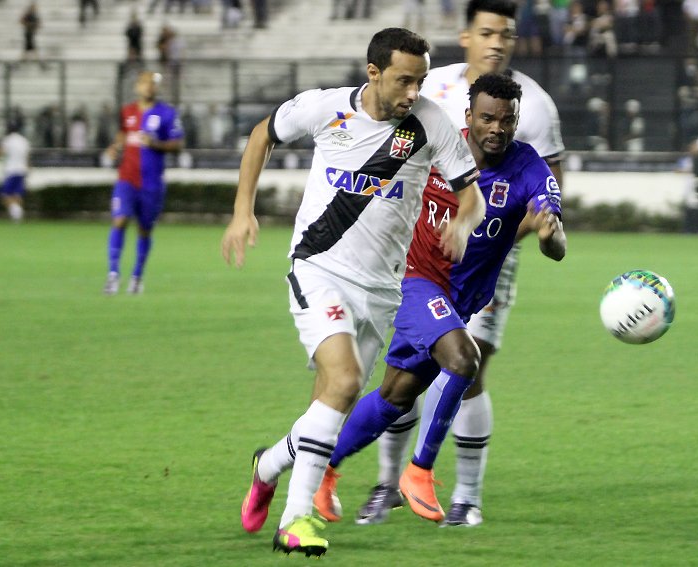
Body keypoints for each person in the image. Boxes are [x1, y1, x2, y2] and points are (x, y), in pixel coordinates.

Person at [226, 27, 485, 557]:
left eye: (421, 80)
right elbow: (262, 135)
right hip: (319, 268)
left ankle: (269, 465)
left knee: (331, 403)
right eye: (403, 81)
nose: (414, 92)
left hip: (382, 291)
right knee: (344, 382)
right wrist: (241, 211)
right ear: (374, 73)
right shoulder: (324, 109)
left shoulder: (429, 123)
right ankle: (296, 522)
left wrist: (463, 220)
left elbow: (471, 194)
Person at [313, 72, 566, 527]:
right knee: (464, 360)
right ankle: (419, 471)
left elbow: (557, 246)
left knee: (395, 395)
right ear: (468, 117)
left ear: (515, 121)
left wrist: (549, 234)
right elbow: (371, 180)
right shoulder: (432, 143)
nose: (497, 128)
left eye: (506, 121)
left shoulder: (529, 168)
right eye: (487, 118)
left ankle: (321, 467)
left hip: (461, 300)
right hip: (414, 281)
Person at [103, 71, 183, 295]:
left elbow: (177, 144)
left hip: (151, 183)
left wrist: (155, 143)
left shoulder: (166, 113)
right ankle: (113, 275)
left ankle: (137, 276)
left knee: (144, 230)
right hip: (126, 178)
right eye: (145, 83)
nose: (149, 87)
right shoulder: (127, 111)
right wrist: (115, 147)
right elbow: (122, 134)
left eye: (153, 84)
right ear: (137, 86)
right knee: (119, 220)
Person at [0, 122, 31, 223]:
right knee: (17, 194)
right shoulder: (24, 140)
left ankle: (16, 212)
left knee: (5, 194)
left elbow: (1, 153)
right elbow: (27, 156)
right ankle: (17, 215)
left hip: (11, 170)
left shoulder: (8, 140)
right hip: (22, 170)